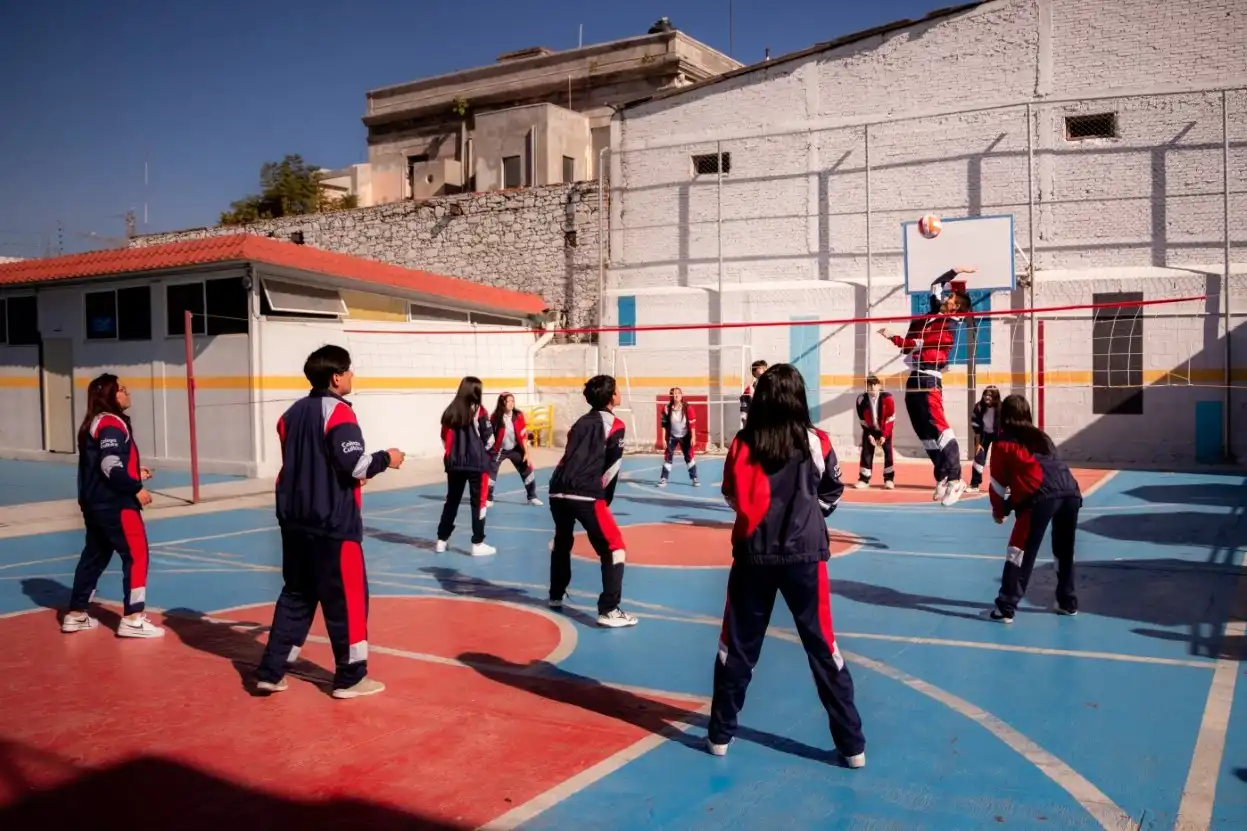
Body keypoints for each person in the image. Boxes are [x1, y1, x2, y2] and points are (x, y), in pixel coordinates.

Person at [708, 363, 866, 769]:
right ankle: (852, 746)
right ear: (799, 396)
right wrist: (809, 518)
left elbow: (731, 494)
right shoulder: (817, 440)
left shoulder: (744, 442)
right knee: (822, 645)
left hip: (753, 555)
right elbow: (832, 490)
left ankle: (720, 735)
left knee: (738, 645)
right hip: (805, 557)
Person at [257, 345, 405, 698]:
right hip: (332, 524)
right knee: (349, 600)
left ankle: (271, 671)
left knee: (296, 595)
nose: (353, 376)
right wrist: (388, 458)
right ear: (336, 377)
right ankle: (351, 677)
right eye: (350, 371)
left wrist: (348, 475)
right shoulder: (339, 413)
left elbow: (306, 464)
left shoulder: (290, 414)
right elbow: (355, 465)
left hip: (294, 520)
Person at [63, 374, 163, 638]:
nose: (127, 393)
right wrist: (135, 488)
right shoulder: (111, 424)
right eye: (122, 389)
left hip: (93, 504)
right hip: (116, 504)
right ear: (110, 395)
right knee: (137, 554)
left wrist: (132, 470)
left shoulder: (93, 423)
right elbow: (109, 465)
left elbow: (100, 464)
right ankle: (133, 618)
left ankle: (76, 613)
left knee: (94, 555)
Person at [878, 266, 974, 507]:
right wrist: (955, 270)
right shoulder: (933, 314)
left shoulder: (951, 323)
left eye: (951, 298)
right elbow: (935, 286)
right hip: (914, 378)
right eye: (948, 295)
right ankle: (941, 474)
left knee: (939, 427)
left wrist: (894, 337)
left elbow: (917, 343)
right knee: (923, 431)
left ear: (956, 307)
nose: (947, 298)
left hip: (930, 378)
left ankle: (956, 478)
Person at [547, 374, 636, 628]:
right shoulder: (615, 424)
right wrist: (603, 499)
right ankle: (609, 609)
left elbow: (571, 455)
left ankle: (555, 594)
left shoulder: (580, 422)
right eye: (617, 390)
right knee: (614, 547)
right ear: (611, 397)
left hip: (557, 488)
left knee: (562, 540)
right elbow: (611, 468)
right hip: (585, 492)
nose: (620, 393)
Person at [986, 394, 1081, 623]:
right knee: (1064, 551)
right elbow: (1038, 473)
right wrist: (1009, 507)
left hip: (1040, 498)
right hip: (1070, 493)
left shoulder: (1003, 443)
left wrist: (999, 512)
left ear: (1004, 416)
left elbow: (998, 484)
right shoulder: (1042, 437)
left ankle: (1005, 607)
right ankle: (1067, 602)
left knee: (1019, 552)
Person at [436, 376, 497, 557]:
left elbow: (444, 438)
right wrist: (481, 453)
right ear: (476, 391)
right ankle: (478, 543)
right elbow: (489, 439)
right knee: (478, 502)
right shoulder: (479, 410)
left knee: (452, 501)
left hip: (455, 464)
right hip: (476, 465)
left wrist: (454, 454)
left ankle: (441, 540)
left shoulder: (450, 411)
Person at [487, 392, 541, 507]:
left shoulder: (519, 415)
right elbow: (490, 435)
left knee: (527, 468)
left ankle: (532, 497)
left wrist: (526, 453)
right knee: (490, 472)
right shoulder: (495, 417)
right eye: (508, 401)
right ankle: (488, 498)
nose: (511, 403)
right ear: (502, 403)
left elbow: (523, 434)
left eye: (513, 401)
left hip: (515, 449)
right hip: (500, 450)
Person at [854, 374, 895, 490]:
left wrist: (885, 435)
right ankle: (864, 480)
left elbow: (890, 418)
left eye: (874, 385)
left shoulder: (888, 398)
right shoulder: (861, 399)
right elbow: (862, 420)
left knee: (888, 453)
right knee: (866, 453)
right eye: (869, 385)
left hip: (885, 429)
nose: (871, 388)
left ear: (879, 385)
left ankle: (889, 480)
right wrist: (869, 435)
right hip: (870, 430)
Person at [658, 386, 700, 487]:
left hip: (685, 436)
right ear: (671, 396)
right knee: (668, 456)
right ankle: (664, 478)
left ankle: (694, 478)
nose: (676, 395)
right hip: (672, 435)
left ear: (681, 395)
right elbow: (663, 425)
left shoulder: (687, 408)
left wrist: (693, 437)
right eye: (674, 393)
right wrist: (663, 439)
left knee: (689, 456)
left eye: (678, 393)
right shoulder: (667, 408)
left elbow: (692, 425)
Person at [968, 385, 1001, 493]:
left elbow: (1006, 425)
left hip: (998, 435)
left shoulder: (1001, 408)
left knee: (1000, 460)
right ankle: (974, 485)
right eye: (985, 395)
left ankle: (1004, 485)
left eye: (990, 395)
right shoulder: (978, 407)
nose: (987, 397)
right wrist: (978, 444)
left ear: (995, 397)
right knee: (979, 458)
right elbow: (975, 426)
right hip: (983, 435)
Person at [739, 359, 768, 428]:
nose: (764, 370)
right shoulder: (752, 387)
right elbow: (745, 403)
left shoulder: (769, 383)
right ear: (754, 372)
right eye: (760, 368)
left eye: (764, 368)